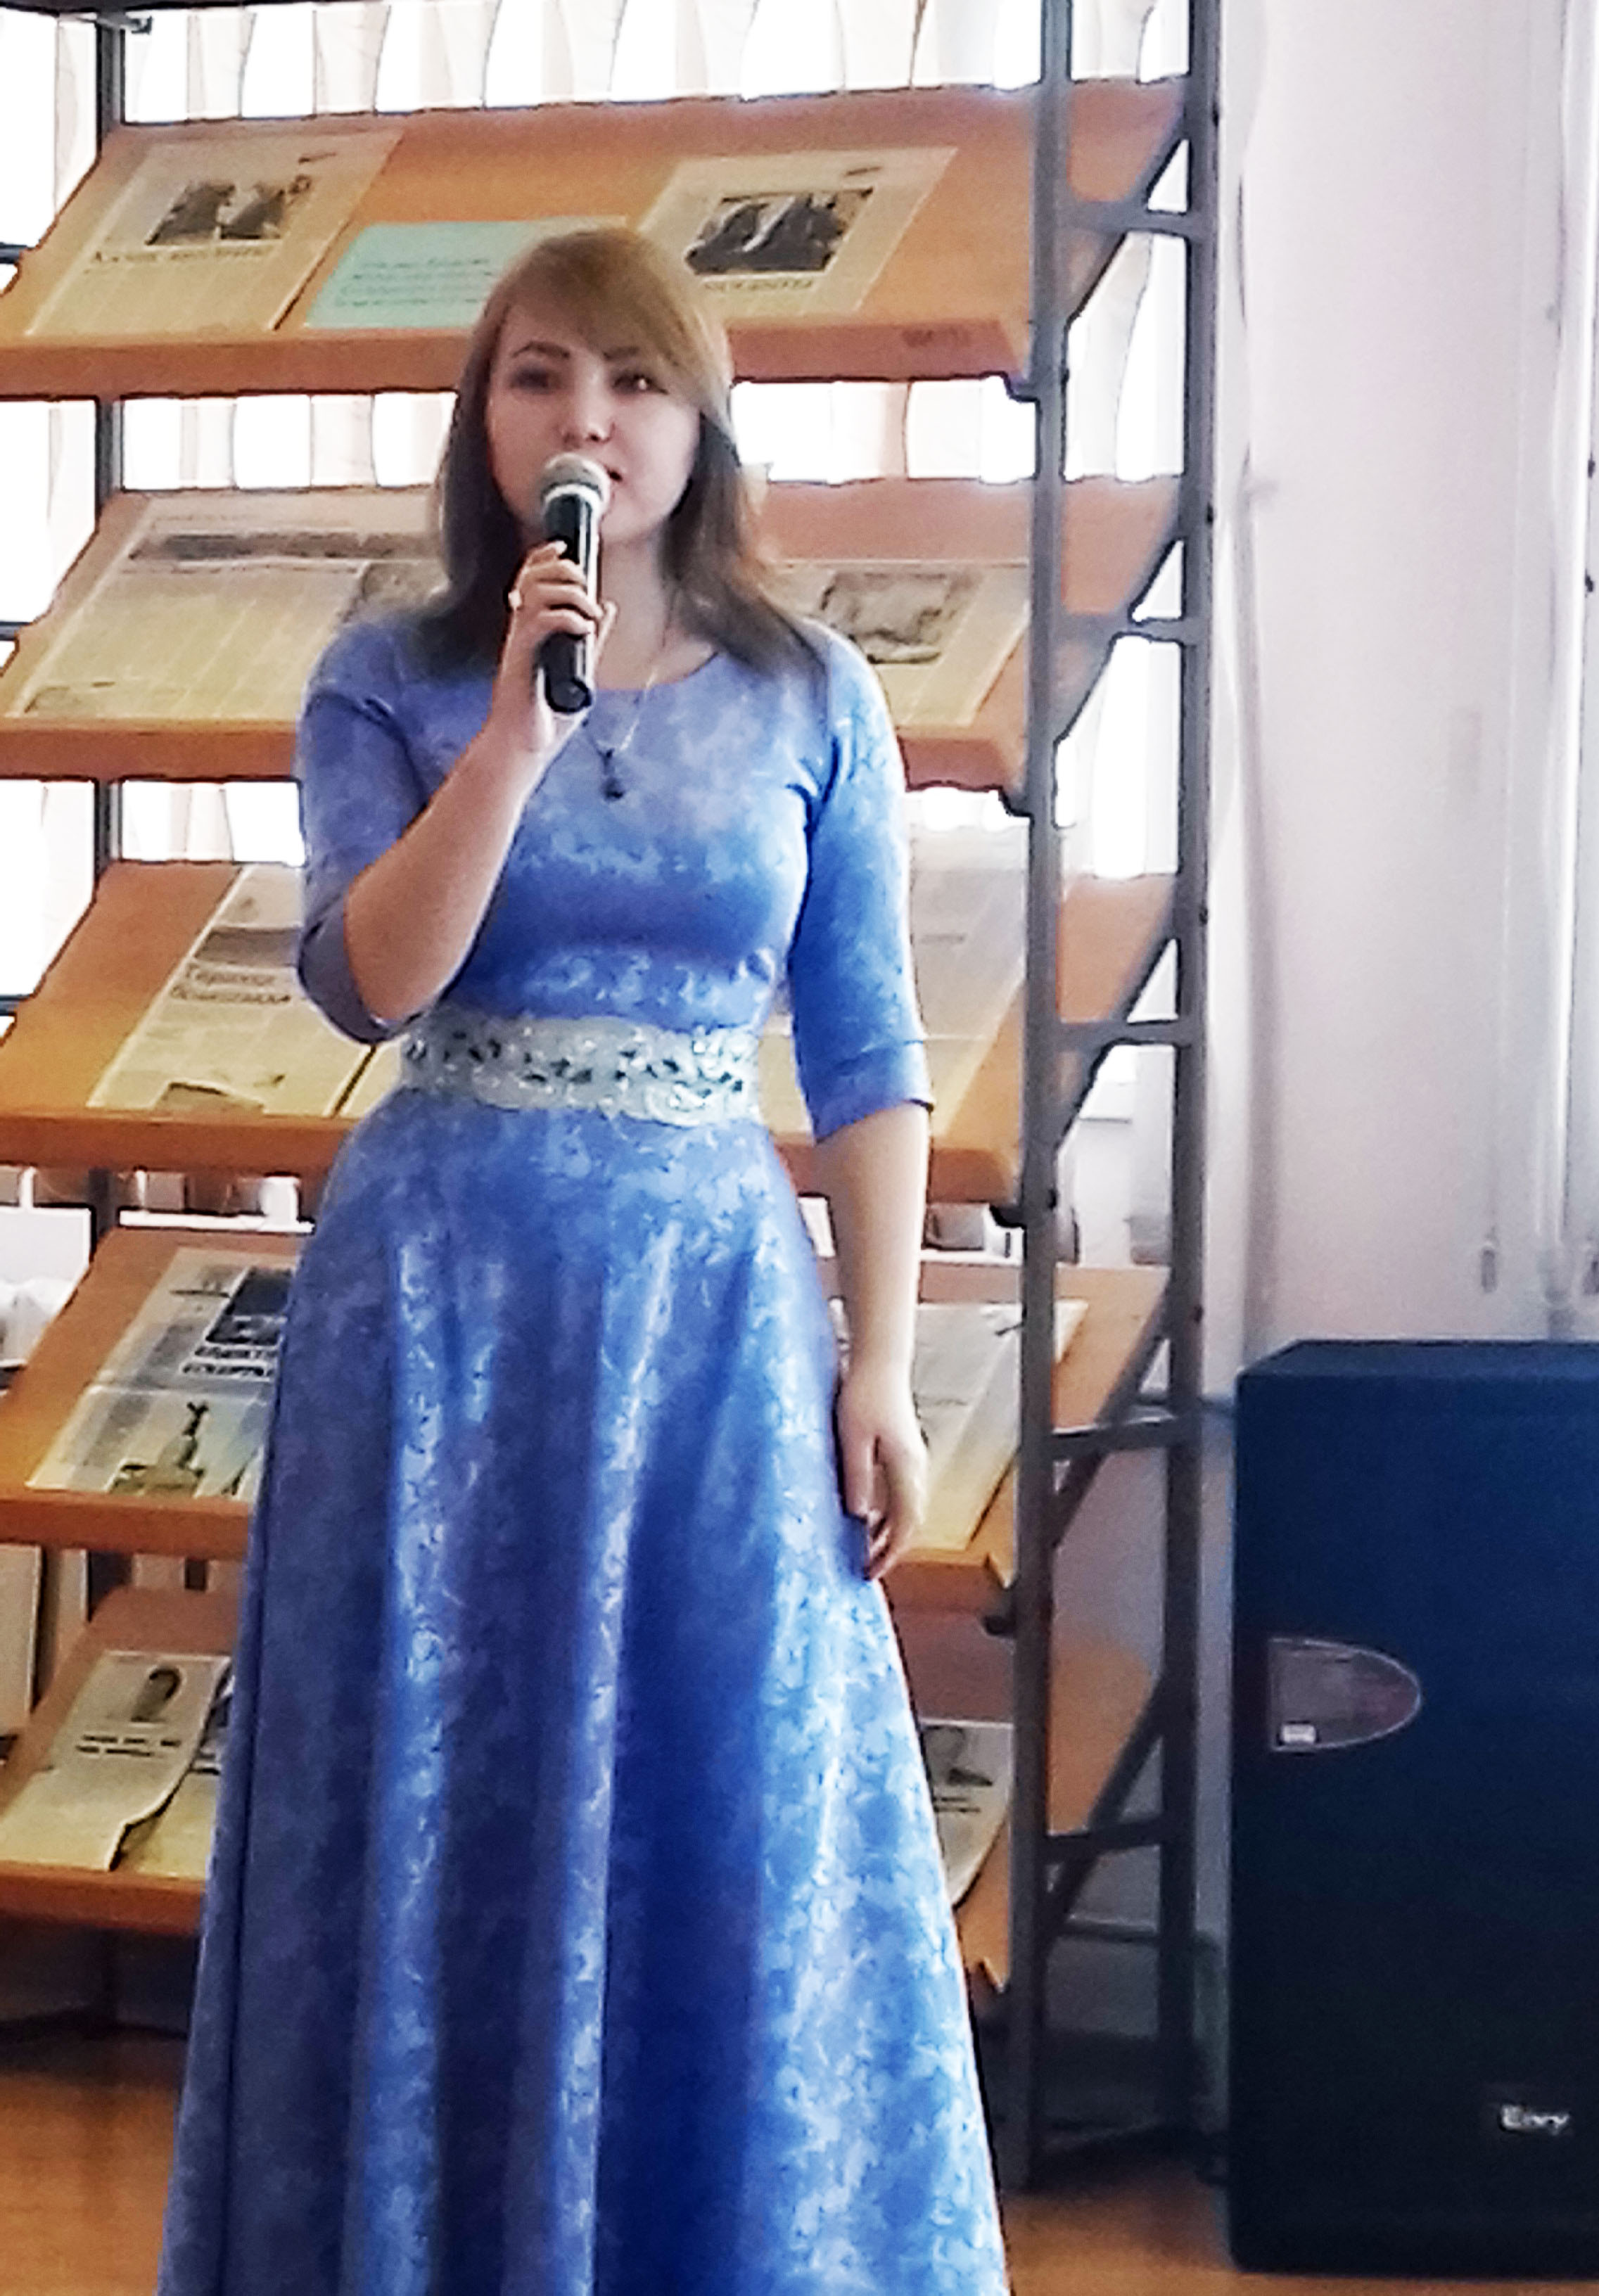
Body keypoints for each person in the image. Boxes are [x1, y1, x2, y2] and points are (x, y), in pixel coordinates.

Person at [155, 227, 1009, 2296]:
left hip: (711, 1310)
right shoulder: (388, 676)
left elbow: (869, 1050)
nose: (589, 421)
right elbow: (368, 984)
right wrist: (511, 741)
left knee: (733, 1783)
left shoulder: (811, 692)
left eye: (633, 382)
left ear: (700, 422)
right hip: (438, 1305)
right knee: (438, 1780)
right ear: (486, 421)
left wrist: (879, 1365)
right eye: (541, 377)